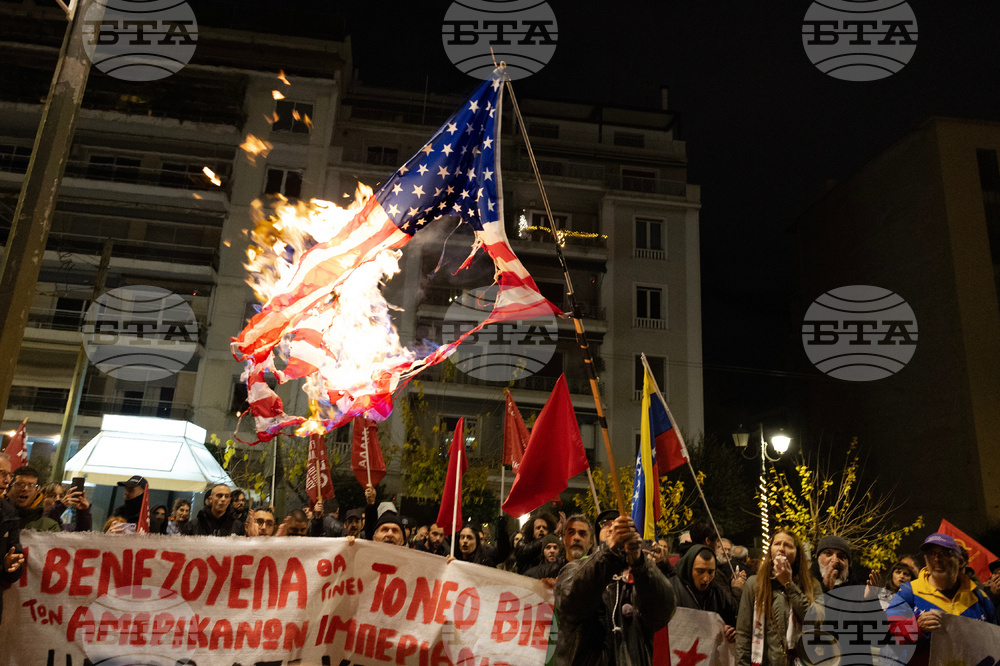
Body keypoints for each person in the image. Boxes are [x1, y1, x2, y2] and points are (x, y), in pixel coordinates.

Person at [555, 516, 675, 665]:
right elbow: (571, 599)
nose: (614, 527)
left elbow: (664, 610)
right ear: (596, 539)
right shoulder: (574, 570)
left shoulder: (641, 579)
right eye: (606, 525)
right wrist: (609, 553)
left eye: (619, 524)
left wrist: (640, 563)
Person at [887, 532, 999, 665]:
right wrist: (916, 627)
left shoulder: (979, 598)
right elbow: (889, 633)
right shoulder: (909, 592)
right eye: (931, 553)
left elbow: (994, 643)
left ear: (960, 561)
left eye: (945, 553)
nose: (937, 559)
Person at [735, 529, 821, 665]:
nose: (781, 549)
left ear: (797, 553)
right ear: (770, 550)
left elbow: (816, 622)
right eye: (777, 544)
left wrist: (789, 584)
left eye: (788, 545)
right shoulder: (754, 584)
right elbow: (743, 634)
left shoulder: (812, 585)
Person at [0, 453, 24, 623]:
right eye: (1, 473)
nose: (7, 480)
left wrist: (10, 566)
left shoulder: (9, 513)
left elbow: (16, 557)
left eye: (9, 475)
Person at [8, 466, 59, 532]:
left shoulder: (49, 527)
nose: (25, 488)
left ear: (37, 490)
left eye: (31, 485)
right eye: (20, 484)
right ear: (9, 488)